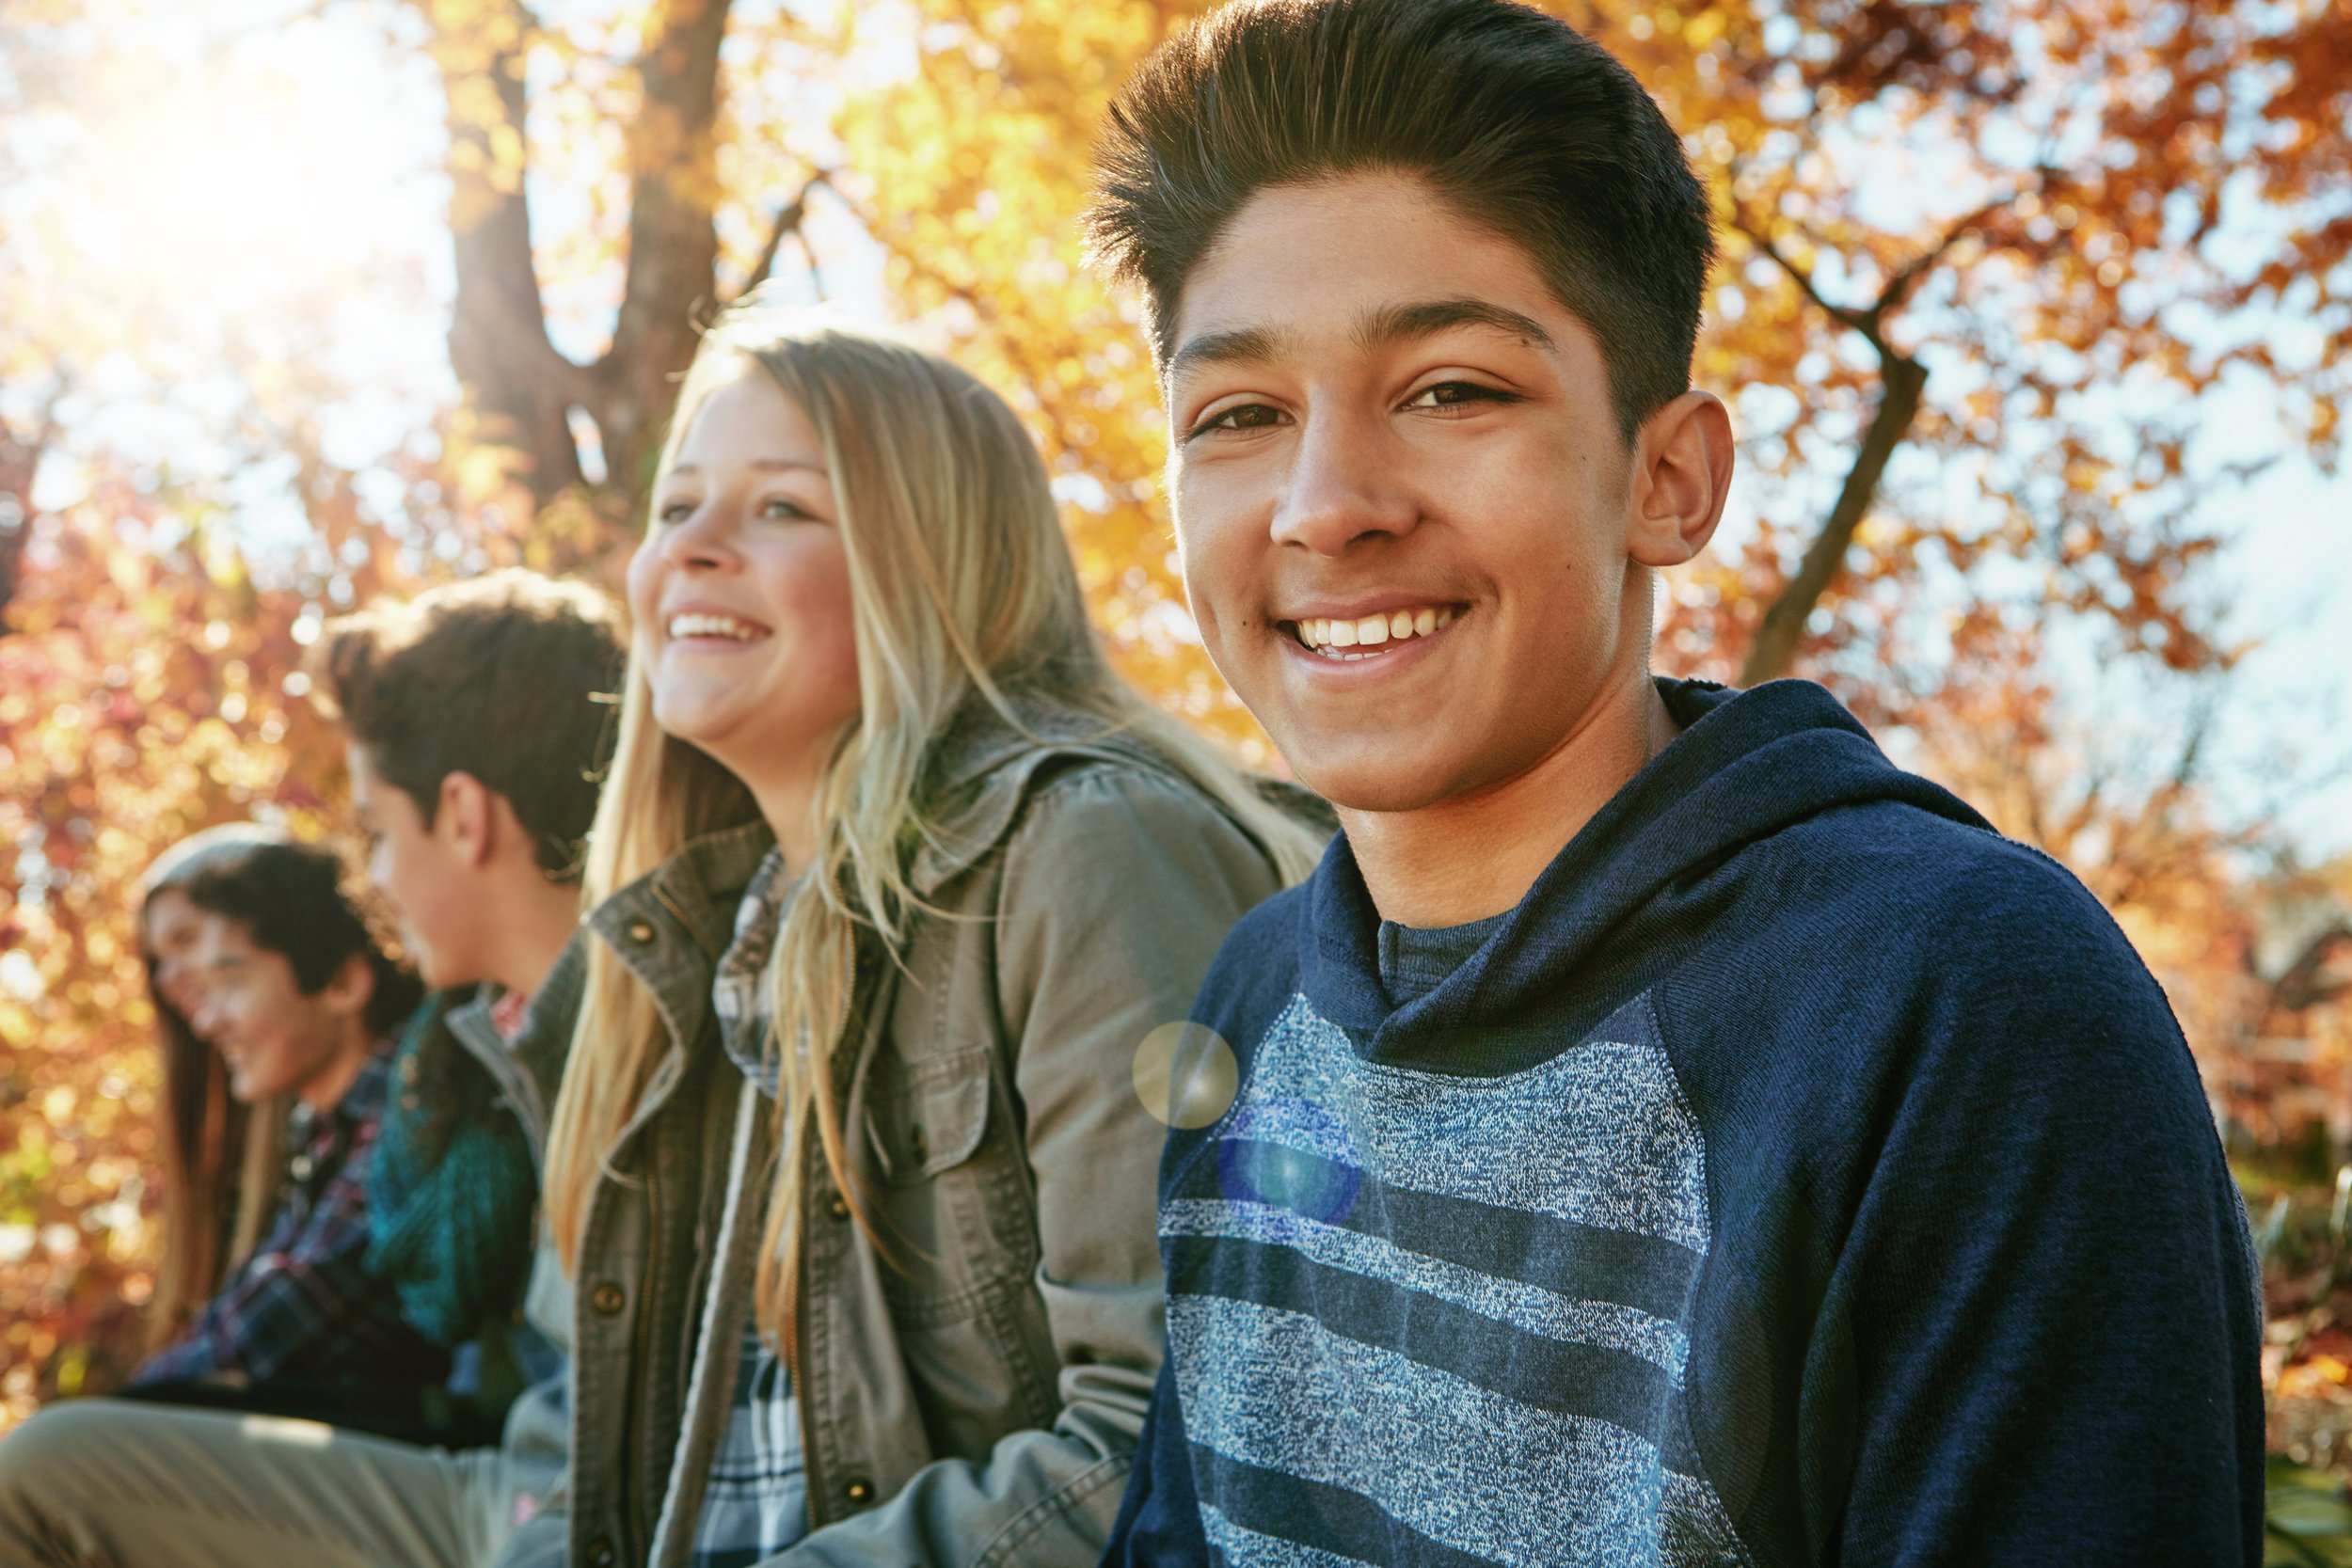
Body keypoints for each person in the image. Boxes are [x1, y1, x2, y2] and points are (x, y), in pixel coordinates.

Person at [1086, 2, 2265, 1563]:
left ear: (1668, 478)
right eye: (1239, 415)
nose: (1327, 507)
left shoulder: (1957, 1006)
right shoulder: (1257, 994)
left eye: (1452, 389)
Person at [0, 309, 1324, 1568]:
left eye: (782, 507)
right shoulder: (695, 934)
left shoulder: (1083, 846)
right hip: (598, 1517)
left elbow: (1169, 1434)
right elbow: (587, 1406)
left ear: (934, 556)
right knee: (51, 1477)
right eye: (678, 505)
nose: (688, 546)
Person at [315, 568, 626, 1436]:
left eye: (378, 830)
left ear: (462, 814)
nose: (373, 880)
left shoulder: (640, 1044)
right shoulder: (478, 1048)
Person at [122, 837, 442, 1421]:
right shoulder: (323, 1134)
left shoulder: (412, 1113)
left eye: (231, 979)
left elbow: (270, 1329)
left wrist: (95, 1430)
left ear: (343, 984)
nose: (204, 1016)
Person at [135, 825, 294, 1363]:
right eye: (158, 959)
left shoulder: (342, 1117)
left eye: (185, 939)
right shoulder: (224, 1140)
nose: (170, 978)